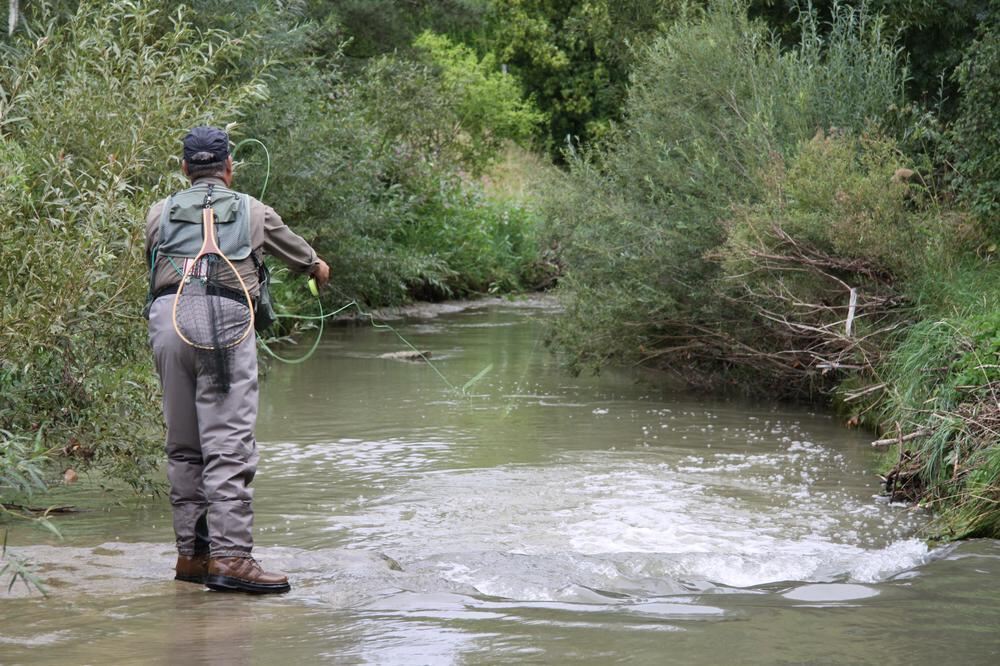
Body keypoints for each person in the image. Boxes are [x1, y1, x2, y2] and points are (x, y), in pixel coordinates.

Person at [145, 126, 330, 594]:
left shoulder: (157, 212)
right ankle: (231, 560)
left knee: (184, 446)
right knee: (227, 447)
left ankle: (192, 558)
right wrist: (317, 270)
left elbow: (155, 265)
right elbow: (307, 261)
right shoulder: (254, 210)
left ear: (185, 168)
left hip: (168, 321)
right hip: (224, 323)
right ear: (229, 167)